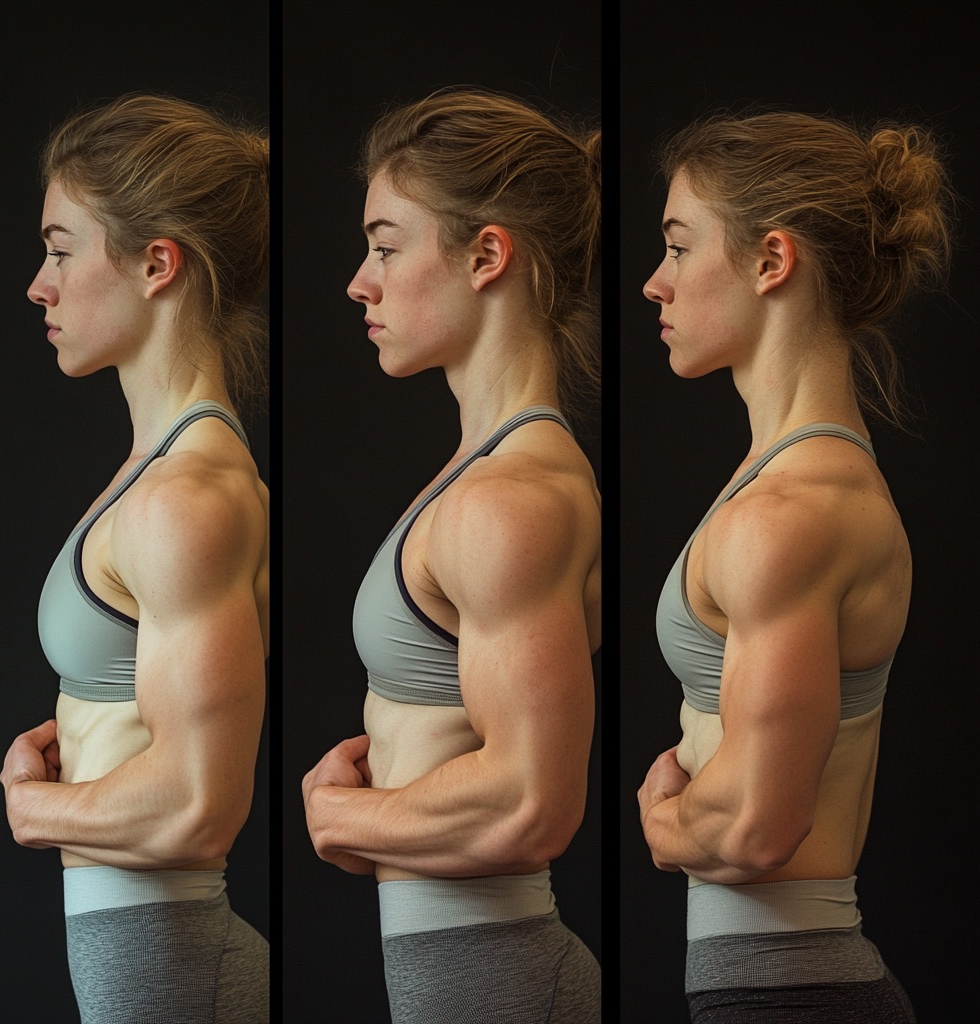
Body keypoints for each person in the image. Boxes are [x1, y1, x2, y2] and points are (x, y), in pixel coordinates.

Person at [637, 110, 953, 1022]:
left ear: (773, 262)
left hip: (792, 993)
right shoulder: (780, 481)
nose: (656, 284)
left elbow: (755, 825)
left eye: (681, 247)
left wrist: (665, 826)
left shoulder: (789, 516)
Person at [302, 89, 602, 1023]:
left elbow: (531, 801)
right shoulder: (479, 475)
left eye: (386, 246)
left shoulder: (506, 500)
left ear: (487, 255)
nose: (361, 279)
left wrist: (346, 819)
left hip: (501, 979)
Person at [0, 94, 270, 1024]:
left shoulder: (183, 497)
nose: (40, 283)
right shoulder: (153, 476)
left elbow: (199, 802)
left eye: (62, 249)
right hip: (146, 961)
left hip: (171, 964)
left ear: (157, 263)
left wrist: (38, 811)